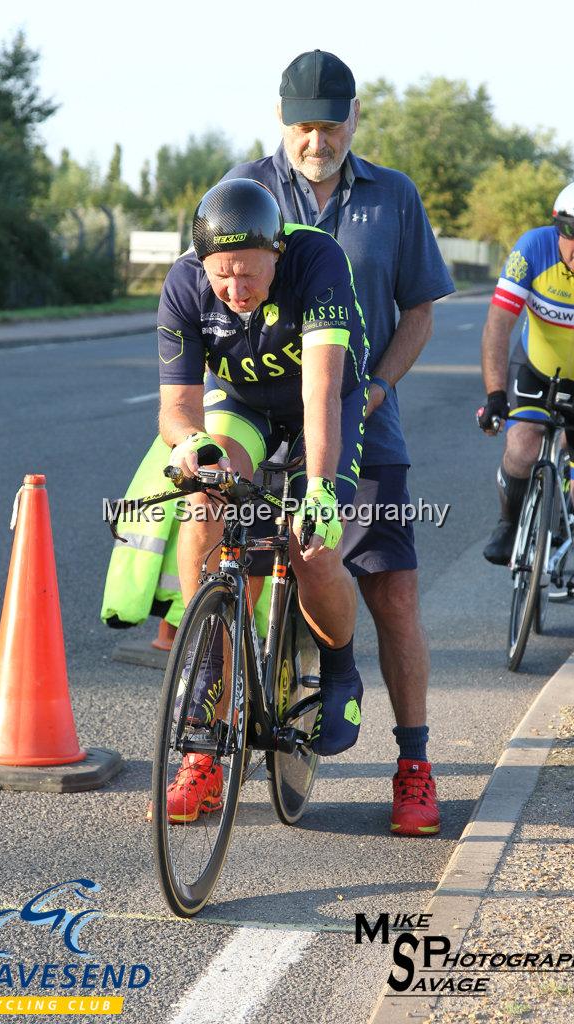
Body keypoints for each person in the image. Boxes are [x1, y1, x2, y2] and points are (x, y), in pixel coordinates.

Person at [224, 50, 454, 836]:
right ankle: (201, 746)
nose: (315, 140)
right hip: (259, 418)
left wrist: (381, 386)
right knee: (234, 568)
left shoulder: (393, 196)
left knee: (392, 592)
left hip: (363, 422)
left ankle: (414, 767)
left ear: (354, 117)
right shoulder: (244, 191)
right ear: (281, 121)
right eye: (302, 126)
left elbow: (420, 307)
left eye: (329, 124)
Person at [158, 176, 371, 820]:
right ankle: (205, 713)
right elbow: (178, 407)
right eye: (223, 277)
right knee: (205, 499)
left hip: (320, 405)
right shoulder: (184, 285)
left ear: (277, 253)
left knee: (311, 546)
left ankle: (340, 668)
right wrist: (192, 447)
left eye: (250, 274)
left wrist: (319, 489)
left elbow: (322, 390)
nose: (237, 290)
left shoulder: (316, 260)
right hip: (244, 409)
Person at [478, 178, 574, 643]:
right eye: (572, 233)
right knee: (521, 442)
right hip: (537, 371)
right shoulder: (532, 248)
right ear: (556, 228)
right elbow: (499, 324)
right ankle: (508, 523)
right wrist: (496, 394)